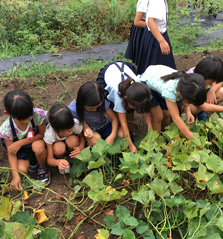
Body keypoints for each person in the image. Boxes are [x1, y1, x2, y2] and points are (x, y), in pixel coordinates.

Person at [96, 61, 152, 152]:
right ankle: (121, 135)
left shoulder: (140, 88)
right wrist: (130, 145)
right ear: (126, 98)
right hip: (109, 73)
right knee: (117, 111)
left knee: (130, 110)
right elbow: (123, 122)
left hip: (125, 67)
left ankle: (129, 133)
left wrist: (150, 129)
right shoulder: (117, 94)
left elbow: (145, 109)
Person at [139, 65, 207, 140]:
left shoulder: (187, 84)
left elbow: (186, 99)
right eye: (189, 102)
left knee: (167, 114)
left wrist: (188, 112)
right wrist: (192, 139)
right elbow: (176, 118)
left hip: (159, 82)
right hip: (147, 84)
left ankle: (163, 134)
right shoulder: (170, 90)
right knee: (158, 117)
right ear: (180, 94)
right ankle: (154, 141)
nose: (189, 104)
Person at [0, 90, 49, 191]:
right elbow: (11, 153)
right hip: (22, 151)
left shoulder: (37, 115)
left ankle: (43, 168)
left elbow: (41, 134)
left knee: (38, 147)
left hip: (36, 141)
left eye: (29, 117)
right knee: (20, 171)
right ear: (8, 114)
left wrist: (20, 142)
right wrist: (15, 176)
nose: (27, 121)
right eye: (21, 120)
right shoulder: (7, 129)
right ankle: (32, 161)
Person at [69, 81, 123, 147]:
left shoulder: (99, 100)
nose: (95, 109)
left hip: (106, 125)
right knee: (94, 140)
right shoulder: (73, 109)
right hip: (92, 132)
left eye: (97, 107)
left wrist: (112, 136)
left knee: (121, 134)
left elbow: (114, 118)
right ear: (82, 103)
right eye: (91, 108)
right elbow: (78, 125)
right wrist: (86, 130)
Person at [136, 0, 176, 74]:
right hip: (156, 37)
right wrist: (161, 41)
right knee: (159, 68)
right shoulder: (157, 1)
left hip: (155, 34)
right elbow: (150, 22)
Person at [43, 104, 85, 174]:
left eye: (69, 130)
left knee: (73, 141)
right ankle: (63, 160)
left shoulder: (75, 124)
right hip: (59, 147)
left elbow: (82, 137)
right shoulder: (49, 133)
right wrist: (58, 162)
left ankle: (75, 158)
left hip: (72, 144)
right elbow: (49, 159)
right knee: (59, 148)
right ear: (52, 126)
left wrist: (81, 147)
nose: (66, 133)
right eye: (62, 132)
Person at [125, 0, 148, 65]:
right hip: (142, 29)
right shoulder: (144, 1)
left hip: (148, 27)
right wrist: (154, 27)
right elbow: (137, 22)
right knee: (143, 58)